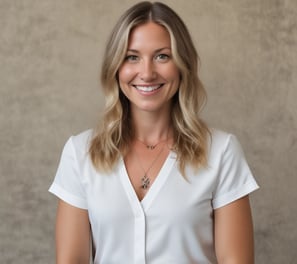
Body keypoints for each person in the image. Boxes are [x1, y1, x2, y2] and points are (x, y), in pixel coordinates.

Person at [49, 1, 259, 263]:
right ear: (116, 66)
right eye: (132, 57)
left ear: (183, 65)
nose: (146, 73)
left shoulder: (221, 151)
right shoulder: (80, 153)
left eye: (162, 56)